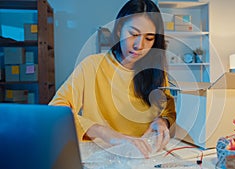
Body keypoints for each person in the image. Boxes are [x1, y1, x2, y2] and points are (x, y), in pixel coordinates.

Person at [49, 0, 176, 158]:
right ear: (118, 30)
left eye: (149, 38)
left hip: (144, 157)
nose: (139, 45)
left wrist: (163, 121)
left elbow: (168, 110)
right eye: (134, 34)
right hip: (102, 155)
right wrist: (104, 132)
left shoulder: (156, 72)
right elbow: (56, 111)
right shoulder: (91, 66)